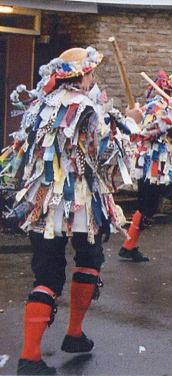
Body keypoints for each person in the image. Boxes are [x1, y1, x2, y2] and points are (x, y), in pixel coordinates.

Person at [2, 47, 138, 375]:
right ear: (83, 76)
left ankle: (33, 352)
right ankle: (70, 335)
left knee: (46, 273)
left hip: (47, 202)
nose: (94, 78)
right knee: (89, 260)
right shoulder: (89, 109)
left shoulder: (39, 106)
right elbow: (106, 160)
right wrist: (130, 126)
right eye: (91, 73)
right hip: (78, 204)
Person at [118, 71, 172, 262]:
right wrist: (170, 111)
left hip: (163, 164)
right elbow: (150, 131)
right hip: (152, 164)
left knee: (147, 206)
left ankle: (128, 247)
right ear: (170, 91)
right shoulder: (155, 106)